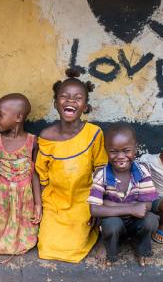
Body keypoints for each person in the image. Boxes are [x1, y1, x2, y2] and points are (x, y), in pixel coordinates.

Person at [35, 67, 108, 263]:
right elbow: (41, 175)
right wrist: (41, 206)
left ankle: (100, 235)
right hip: (55, 201)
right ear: (56, 103)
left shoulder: (94, 133)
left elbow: (101, 169)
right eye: (65, 97)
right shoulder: (46, 136)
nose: (70, 101)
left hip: (84, 198)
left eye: (78, 98)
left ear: (85, 106)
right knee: (47, 246)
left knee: (76, 243)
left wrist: (97, 205)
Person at [88, 123, 158, 267]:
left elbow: (148, 205)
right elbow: (94, 210)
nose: (120, 157)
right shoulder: (101, 175)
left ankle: (141, 249)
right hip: (113, 221)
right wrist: (131, 209)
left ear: (135, 149)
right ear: (106, 151)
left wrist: (109, 204)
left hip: (134, 222)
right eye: (113, 151)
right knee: (112, 224)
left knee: (151, 220)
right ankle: (110, 250)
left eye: (126, 150)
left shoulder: (142, 171)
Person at [0, 93, 41, 255]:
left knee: (26, 234)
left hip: (25, 199)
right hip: (1, 198)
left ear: (19, 117)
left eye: (0, 114)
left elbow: (35, 173)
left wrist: (37, 204)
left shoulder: (32, 141)